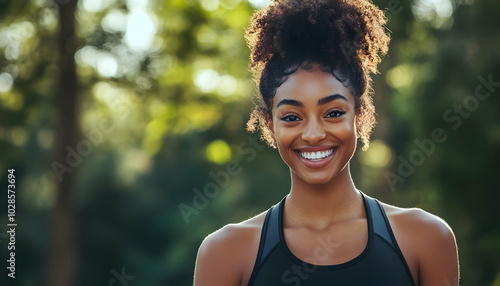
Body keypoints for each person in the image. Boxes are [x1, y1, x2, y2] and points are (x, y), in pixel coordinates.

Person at [193, 0, 460, 285]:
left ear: (358, 116)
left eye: (333, 113)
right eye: (292, 117)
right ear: (270, 127)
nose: (313, 134)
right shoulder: (225, 253)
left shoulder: (425, 239)